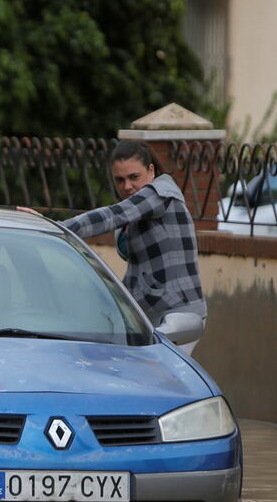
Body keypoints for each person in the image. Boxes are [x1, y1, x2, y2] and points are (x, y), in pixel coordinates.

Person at [19, 140, 207, 355]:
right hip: (148, 317)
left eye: (134, 177)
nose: (127, 186)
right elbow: (138, 273)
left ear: (151, 170)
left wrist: (54, 228)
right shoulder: (137, 210)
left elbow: (110, 215)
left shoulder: (160, 193)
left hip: (178, 317)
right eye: (120, 179)